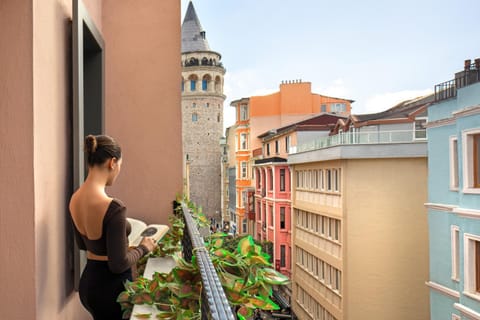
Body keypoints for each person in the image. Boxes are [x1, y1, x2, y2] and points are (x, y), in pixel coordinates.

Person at [69, 134, 157, 319]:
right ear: (112, 162)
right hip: (111, 290)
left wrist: (120, 244)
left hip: (89, 284)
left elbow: (84, 245)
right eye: (120, 167)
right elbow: (118, 264)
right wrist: (144, 247)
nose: (118, 172)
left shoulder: (75, 199)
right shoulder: (114, 207)